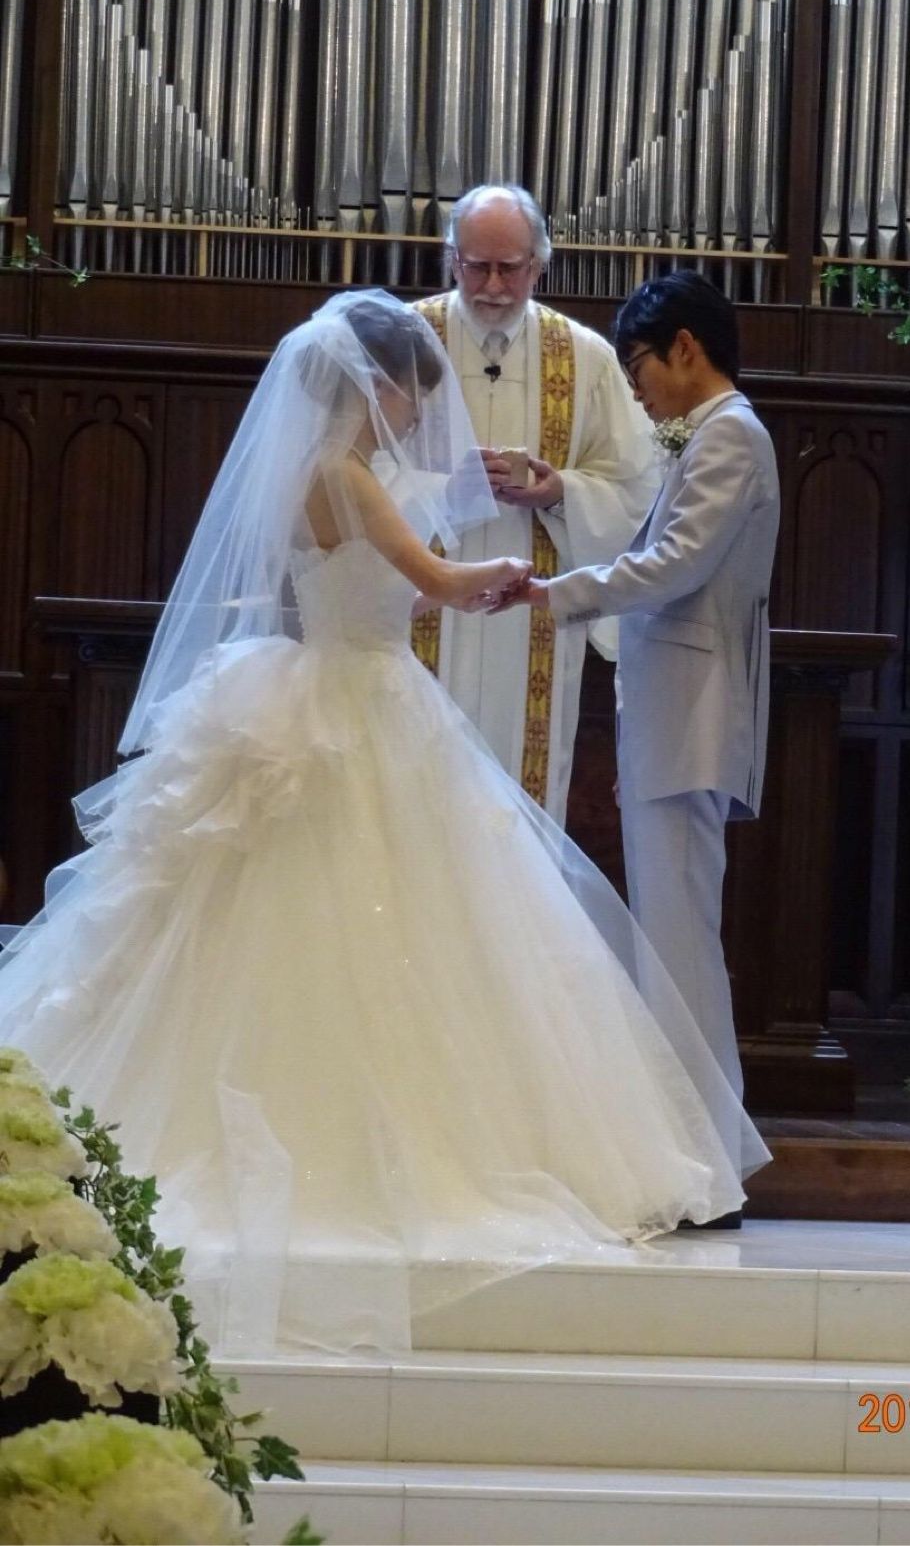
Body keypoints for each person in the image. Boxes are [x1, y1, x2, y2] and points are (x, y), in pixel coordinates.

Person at [0, 291, 767, 1359]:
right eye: (414, 394)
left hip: (314, 689)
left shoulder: (306, 473)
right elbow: (438, 579)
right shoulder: (349, 473)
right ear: (379, 385)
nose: (418, 415)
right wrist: (516, 581)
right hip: (364, 701)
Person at [502, 273, 780, 1164]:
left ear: (685, 348)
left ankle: (711, 1156)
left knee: (681, 944)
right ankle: (693, 1147)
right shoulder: (711, 434)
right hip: (672, 717)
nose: (636, 389)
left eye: (638, 368)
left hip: (692, 717)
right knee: (671, 940)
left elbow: (675, 564)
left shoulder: (728, 434)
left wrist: (554, 593)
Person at [404, 184, 659, 824]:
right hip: (422, 603)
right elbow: (352, 472)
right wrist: (447, 491)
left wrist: (561, 492)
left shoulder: (585, 358)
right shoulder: (404, 343)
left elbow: (636, 486)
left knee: (516, 795)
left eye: (509, 268)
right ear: (451, 259)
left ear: (539, 265)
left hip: (530, 619)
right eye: (476, 266)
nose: (492, 285)